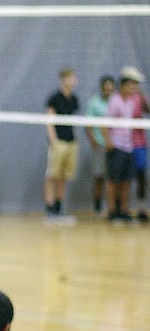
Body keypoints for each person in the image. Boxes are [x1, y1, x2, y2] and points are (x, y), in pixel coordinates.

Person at [105, 66, 146, 224]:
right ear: (123, 84)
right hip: (116, 146)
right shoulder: (115, 100)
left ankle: (123, 211)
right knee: (113, 180)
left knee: (126, 180)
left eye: (136, 85)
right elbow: (104, 123)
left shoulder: (131, 101)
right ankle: (112, 212)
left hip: (129, 146)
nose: (135, 87)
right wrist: (108, 141)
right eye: (132, 84)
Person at [43, 68, 80, 223]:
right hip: (58, 142)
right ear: (63, 79)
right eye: (71, 78)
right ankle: (49, 206)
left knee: (64, 175)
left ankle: (59, 206)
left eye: (74, 78)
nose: (73, 81)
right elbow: (49, 120)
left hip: (71, 141)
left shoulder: (74, 99)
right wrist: (54, 141)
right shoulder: (54, 98)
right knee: (52, 175)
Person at [85, 75, 116, 215]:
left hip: (115, 146)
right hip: (100, 145)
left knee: (114, 178)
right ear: (102, 88)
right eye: (106, 88)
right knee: (99, 177)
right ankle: (97, 207)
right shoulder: (94, 103)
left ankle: (114, 208)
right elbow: (88, 125)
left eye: (111, 88)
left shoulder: (116, 102)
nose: (108, 90)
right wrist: (94, 142)